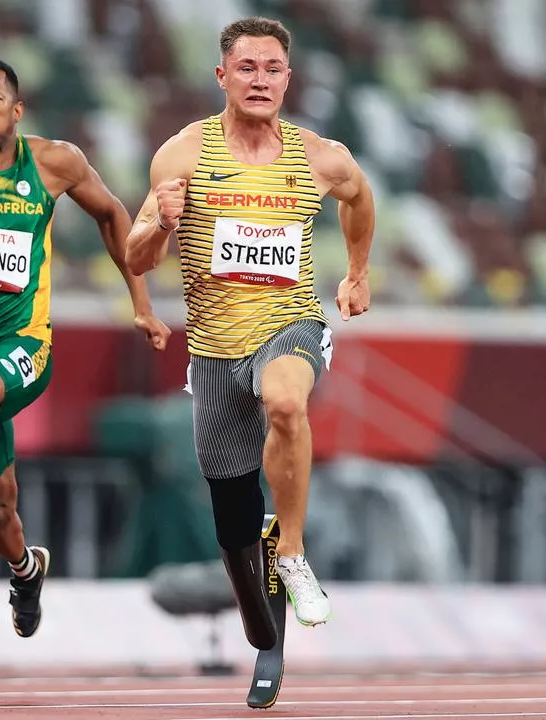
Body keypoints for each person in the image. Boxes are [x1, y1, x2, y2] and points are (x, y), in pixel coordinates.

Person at [0, 56, 170, 630]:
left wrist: (140, 301)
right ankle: (24, 568)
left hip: (22, 341)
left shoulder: (54, 163)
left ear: (16, 110)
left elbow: (114, 215)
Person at [124, 17, 375, 650]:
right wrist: (161, 225)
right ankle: (258, 610)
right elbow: (135, 257)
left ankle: (290, 549)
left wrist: (358, 274)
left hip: (289, 324)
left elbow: (359, 198)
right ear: (222, 76)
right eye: (247, 68)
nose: (259, 80)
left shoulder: (321, 157)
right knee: (232, 514)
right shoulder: (182, 155)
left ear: (288, 80)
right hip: (212, 347)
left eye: (272, 69)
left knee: (286, 400)